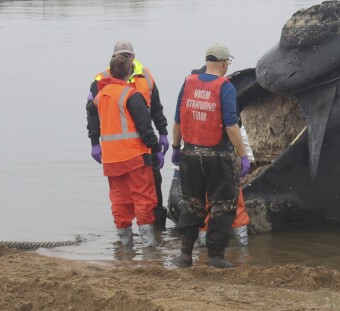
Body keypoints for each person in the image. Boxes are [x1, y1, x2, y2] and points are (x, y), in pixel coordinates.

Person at [169, 43, 251, 269]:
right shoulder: (225, 86)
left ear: (207, 62)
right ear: (224, 63)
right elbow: (231, 126)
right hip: (217, 156)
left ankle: (185, 255)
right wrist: (243, 156)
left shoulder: (188, 83)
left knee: (192, 204)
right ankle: (215, 255)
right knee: (223, 206)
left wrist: (175, 147)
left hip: (190, 154)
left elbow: (177, 121)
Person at [87, 40, 169, 230]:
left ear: (133, 56)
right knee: (138, 196)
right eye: (121, 55)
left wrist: (163, 132)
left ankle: (154, 234)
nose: (124, 57)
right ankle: (148, 240)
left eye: (127, 54)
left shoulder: (145, 76)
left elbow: (156, 108)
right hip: (136, 151)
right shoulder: (101, 81)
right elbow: (92, 112)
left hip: (136, 148)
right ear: (114, 57)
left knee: (150, 190)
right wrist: (94, 141)